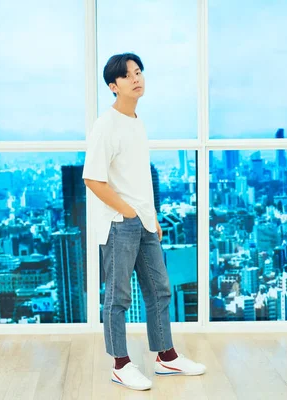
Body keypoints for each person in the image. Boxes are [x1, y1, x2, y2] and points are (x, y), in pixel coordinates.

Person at [82, 53, 206, 391]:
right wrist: (126, 212)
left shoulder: (136, 121)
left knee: (159, 290)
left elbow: (137, 178)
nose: (137, 78)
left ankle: (166, 357)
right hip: (119, 223)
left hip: (144, 222)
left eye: (139, 72)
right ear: (113, 85)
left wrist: (150, 218)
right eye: (128, 75)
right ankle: (120, 364)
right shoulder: (104, 126)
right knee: (118, 296)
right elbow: (92, 179)